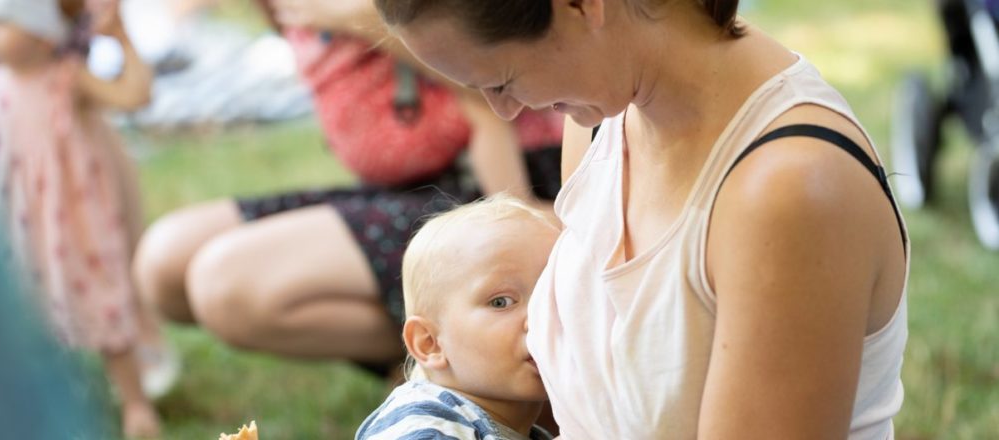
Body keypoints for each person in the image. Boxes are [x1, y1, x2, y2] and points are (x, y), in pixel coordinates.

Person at [375, 0, 909, 438]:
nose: (505, 111)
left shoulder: (788, 191)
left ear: (582, 7)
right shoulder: (597, 125)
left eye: (503, 79)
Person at [132, 0, 563, 374]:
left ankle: (464, 358)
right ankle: (441, 346)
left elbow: (490, 85)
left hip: (486, 179)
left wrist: (360, 18)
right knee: (165, 261)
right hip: (398, 189)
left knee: (223, 285)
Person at [0, 0, 164, 436]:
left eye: (3, 22)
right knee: (33, 310)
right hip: (22, 224)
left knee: (101, 301)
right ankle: (65, 398)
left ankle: (135, 401)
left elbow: (136, 96)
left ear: (42, 34)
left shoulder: (67, 80)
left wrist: (123, 40)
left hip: (79, 220)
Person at [356, 195, 558, 440]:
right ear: (430, 343)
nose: (542, 315)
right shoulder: (423, 424)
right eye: (500, 302)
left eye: (555, 295)